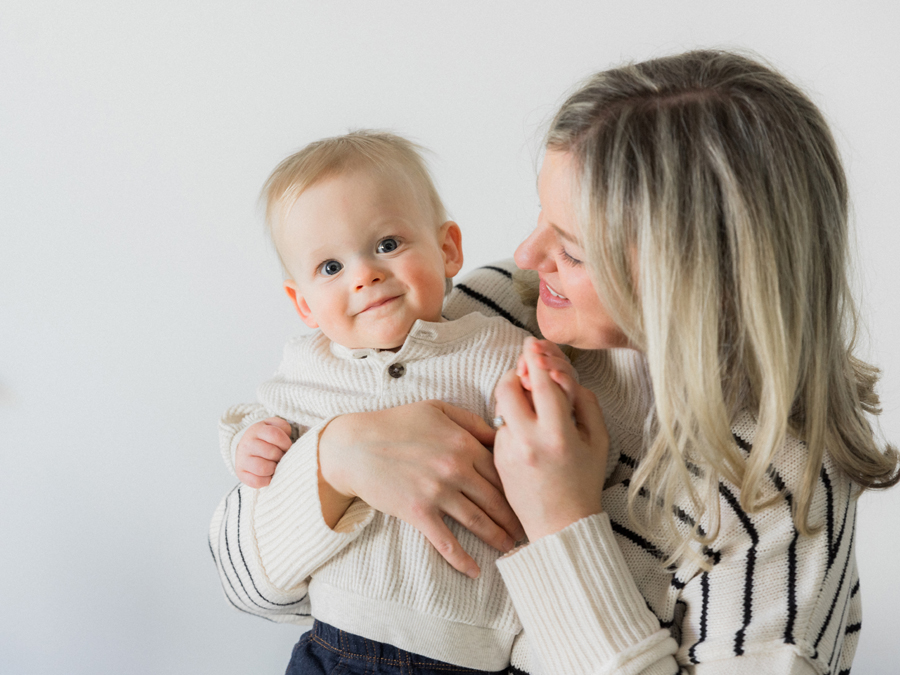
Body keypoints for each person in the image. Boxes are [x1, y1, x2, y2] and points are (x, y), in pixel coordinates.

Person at [210, 51, 899, 674]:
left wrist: (564, 522)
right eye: (541, 217)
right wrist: (338, 458)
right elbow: (251, 587)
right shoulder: (496, 308)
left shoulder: (777, 491)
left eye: (571, 246)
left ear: (687, 276)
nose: (528, 256)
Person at [214, 130, 593, 674]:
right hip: (335, 644)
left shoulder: (497, 348)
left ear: (447, 250)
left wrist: (554, 382)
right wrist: (249, 444)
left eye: (387, 245)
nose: (365, 275)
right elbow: (260, 421)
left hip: (468, 653)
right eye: (330, 268)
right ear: (303, 303)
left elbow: (553, 442)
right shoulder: (309, 367)